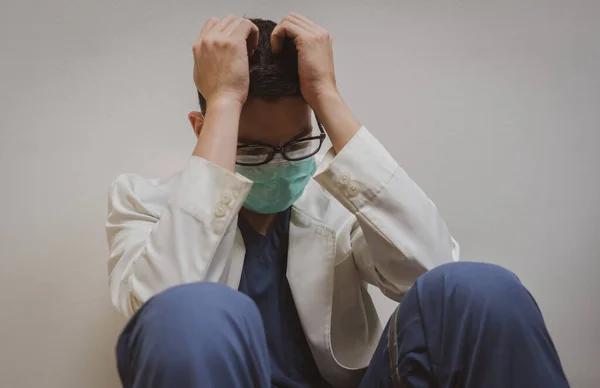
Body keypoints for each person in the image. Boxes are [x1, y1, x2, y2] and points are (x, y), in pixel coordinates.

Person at [105, 13, 569, 388]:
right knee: (194, 311)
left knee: (479, 288)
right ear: (201, 129)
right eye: (250, 147)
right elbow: (165, 324)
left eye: (296, 144)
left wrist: (326, 93)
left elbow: (431, 272)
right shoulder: (142, 200)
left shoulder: (338, 199)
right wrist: (223, 98)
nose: (278, 164)